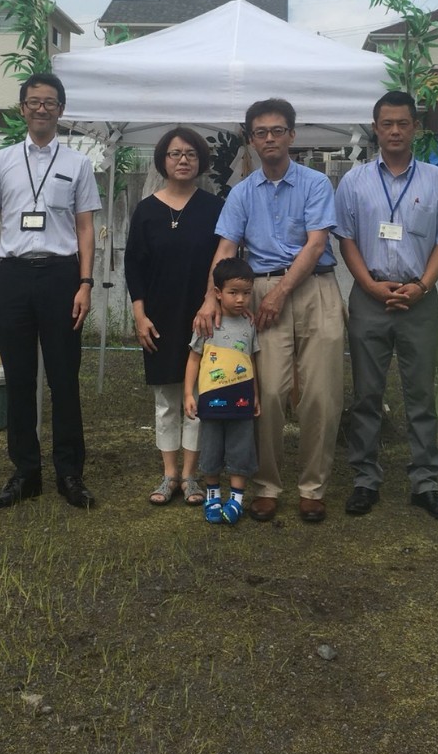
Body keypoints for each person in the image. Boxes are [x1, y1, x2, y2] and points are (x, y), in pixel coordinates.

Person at [195, 98, 344, 523]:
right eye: (261, 132)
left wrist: (281, 293)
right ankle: (266, 485)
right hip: (259, 294)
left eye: (278, 130)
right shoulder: (241, 193)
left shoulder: (316, 184)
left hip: (315, 289)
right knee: (269, 392)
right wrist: (210, 296)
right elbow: (226, 248)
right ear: (251, 140)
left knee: (321, 394)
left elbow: (317, 244)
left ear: (292, 135)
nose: (270, 139)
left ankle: (313, 486)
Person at [0, 72, 101, 510]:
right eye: (34, 101)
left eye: (50, 102)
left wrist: (85, 283)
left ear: (61, 110)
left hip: (62, 276)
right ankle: (25, 472)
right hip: (11, 277)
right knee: (19, 379)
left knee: (65, 379)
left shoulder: (79, 165)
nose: (42, 108)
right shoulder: (1, 162)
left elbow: (86, 227)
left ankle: (70, 473)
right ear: (22, 108)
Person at [334, 91, 438, 521]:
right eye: (386, 123)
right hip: (370, 298)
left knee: (421, 394)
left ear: (415, 128)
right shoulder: (353, 181)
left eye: (402, 123)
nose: (393, 131)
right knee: (367, 394)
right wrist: (367, 284)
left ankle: (425, 482)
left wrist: (424, 286)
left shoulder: (436, 181)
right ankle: (365, 478)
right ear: (375, 127)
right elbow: (345, 238)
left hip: (419, 300)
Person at [125, 126, 223, 506]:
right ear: (162, 160)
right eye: (174, 154)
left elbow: (226, 260)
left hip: (202, 313)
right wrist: (139, 314)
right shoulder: (147, 209)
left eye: (190, 154)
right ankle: (168, 475)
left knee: (198, 396)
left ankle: (191, 477)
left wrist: (210, 300)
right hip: (159, 316)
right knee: (166, 399)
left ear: (200, 161)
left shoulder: (215, 208)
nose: (183, 160)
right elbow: (133, 265)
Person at [184, 257, 260, 524]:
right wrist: (188, 394)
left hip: (242, 401)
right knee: (211, 449)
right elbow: (194, 358)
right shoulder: (206, 324)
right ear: (217, 293)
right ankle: (212, 495)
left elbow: (250, 361)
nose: (240, 300)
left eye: (247, 294)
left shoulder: (250, 324)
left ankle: (237, 499)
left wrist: (256, 395)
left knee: (241, 451)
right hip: (211, 400)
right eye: (233, 293)